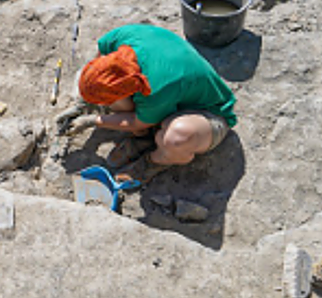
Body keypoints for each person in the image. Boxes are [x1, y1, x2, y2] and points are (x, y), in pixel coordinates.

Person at [70, 23, 237, 183]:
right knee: (114, 96)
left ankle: (155, 160)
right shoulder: (120, 39)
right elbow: (98, 63)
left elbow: (136, 122)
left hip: (208, 115)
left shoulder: (155, 88)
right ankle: (146, 139)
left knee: (177, 138)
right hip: (171, 95)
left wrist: (92, 121)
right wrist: (81, 104)